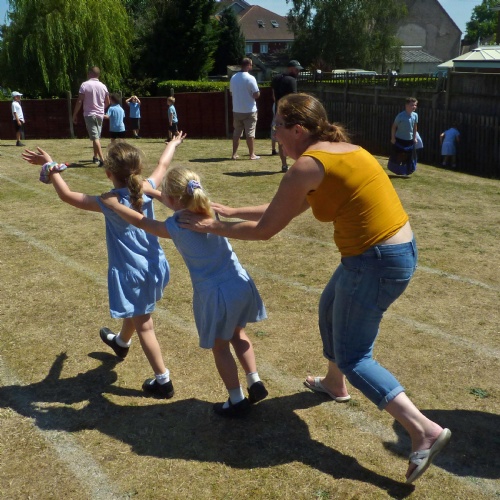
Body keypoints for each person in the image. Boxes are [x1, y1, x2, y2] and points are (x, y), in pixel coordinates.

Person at [178, 93, 451, 482]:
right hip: (387, 252)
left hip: (375, 261)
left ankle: (424, 430)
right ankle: (334, 383)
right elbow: (288, 207)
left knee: (355, 356)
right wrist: (231, 211)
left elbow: (266, 230)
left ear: (297, 130)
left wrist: (212, 226)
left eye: (277, 127)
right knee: (329, 307)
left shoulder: (306, 166)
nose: (274, 134)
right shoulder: (340, 151)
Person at [21, 134, 187, 399]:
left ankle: (163, 380)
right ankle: (121, 343)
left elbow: (67, 195)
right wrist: (172, 145)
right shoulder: (146, 187)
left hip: (133, 273)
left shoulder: (109, 201)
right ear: (137, 169)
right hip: (156, 265)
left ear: (109, 173)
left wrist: (50, 165)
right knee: (137, 309)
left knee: (144, 324)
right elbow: (163, 165)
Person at [101, 166, 268, 418]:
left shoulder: (176, 225)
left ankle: (236, 399)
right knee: (239, 333)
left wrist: (115, 205)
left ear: (172, 199)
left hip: (215, 294)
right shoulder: (211, 210)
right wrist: (153, 192)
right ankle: (254, 380)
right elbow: (177, 201)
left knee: (220, 346)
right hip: (239, 283)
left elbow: (141, 222)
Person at [72, 66, 110, 167]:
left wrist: (74, 114)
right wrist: (101, 108)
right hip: (100, 115)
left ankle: (102, 160)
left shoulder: (85, 85)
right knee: (96, 137)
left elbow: (79, 101)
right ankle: (95, 156)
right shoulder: (103, 86)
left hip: (89, 114)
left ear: (90, 74)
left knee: (95, 137)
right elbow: (107, 102)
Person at [271, 60, 303, 172]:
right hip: (289, 113)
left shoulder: (276, 79)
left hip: (278, 112)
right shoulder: (291, 80)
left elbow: (273, 96)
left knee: (281, 139)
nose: (298, 72)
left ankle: (284, 165)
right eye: (296, 69)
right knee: (296, 136)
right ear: (290, 68)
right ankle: (298, 164)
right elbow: (293, 98)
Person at [229, 57, 260, 160]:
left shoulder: (233, 77)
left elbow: (231, 92)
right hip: (249, 110)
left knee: (237, 132)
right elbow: (256, 94)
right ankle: (252, 154)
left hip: (237, 109)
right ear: (248, 65)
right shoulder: (251, 78)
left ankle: (234, 154)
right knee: (250, 133)